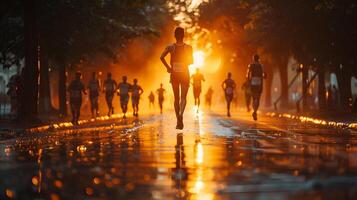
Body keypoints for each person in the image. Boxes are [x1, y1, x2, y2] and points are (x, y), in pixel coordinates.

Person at [160, 27, 193, 129]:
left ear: (174, 35)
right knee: (183, 98)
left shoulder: (170, 47)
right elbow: (192, 61)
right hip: (184, 74)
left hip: (174, 74)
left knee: (176, 98)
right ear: (183, 35)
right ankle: (181, 115)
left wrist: (168, 67)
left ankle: (178, 119)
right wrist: (183, 63)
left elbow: (161, 57)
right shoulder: (188, 47)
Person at [246, 54, 265, 121]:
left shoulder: (251, 65)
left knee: (254, 98)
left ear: (253, 59)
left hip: (253, 82)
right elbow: (264, 74)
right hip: (259, 82)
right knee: (258, 98)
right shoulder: (261, 66)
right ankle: (255, 111)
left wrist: (248, 80)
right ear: (258, 59)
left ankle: (254, 111)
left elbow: (248, 74)